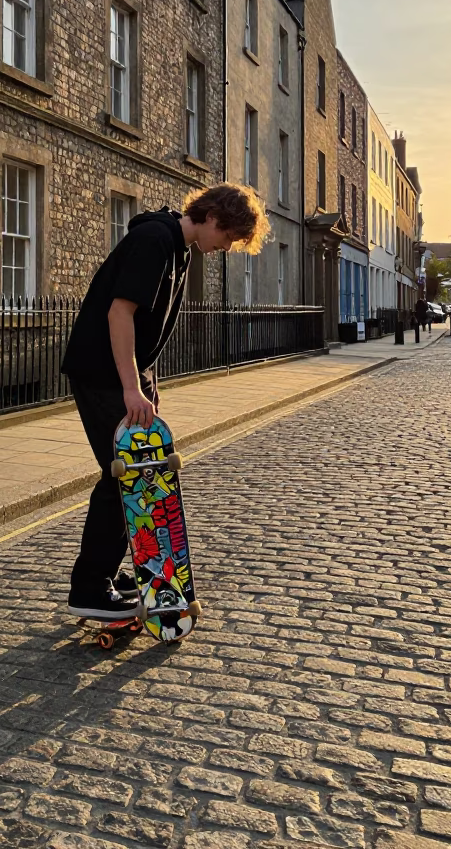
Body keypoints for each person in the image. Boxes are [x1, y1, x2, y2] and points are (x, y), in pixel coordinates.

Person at [61, 182, 269, 619]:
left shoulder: (179, 248)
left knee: (141, 476)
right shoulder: (154, 239)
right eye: (228, 236)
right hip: (101, 374)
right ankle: (88, 588)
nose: (227, 247)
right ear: (213, 216)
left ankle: (106, 571)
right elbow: (119, 313)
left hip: (122, 375)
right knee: (124, 477)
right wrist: (130, 387)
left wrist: (146, 383)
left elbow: (145, 326)